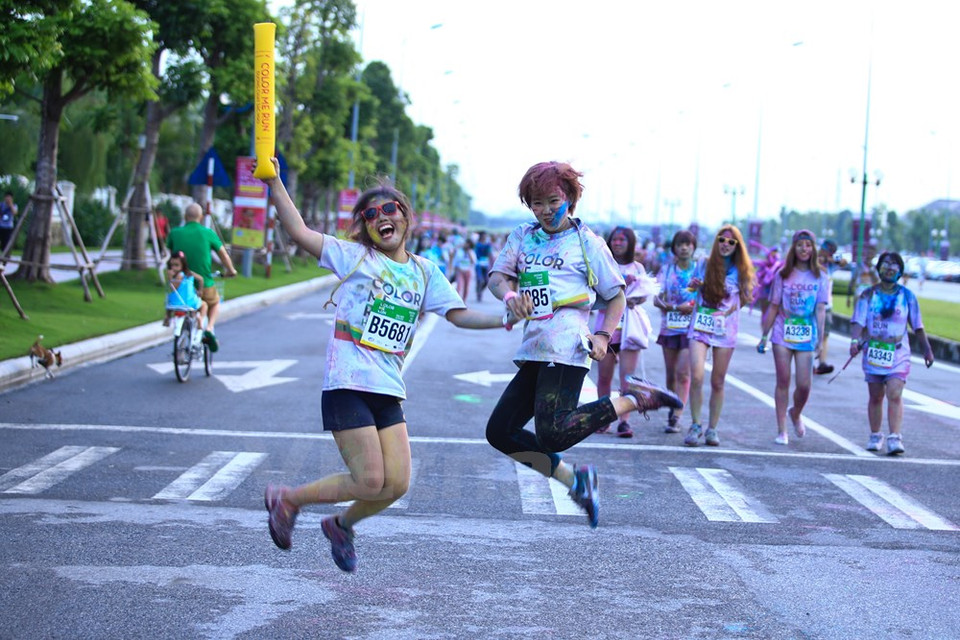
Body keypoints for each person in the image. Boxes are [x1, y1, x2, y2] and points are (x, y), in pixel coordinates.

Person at [258, 157, 528, 573]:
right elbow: (297, 230)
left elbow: (458, 314)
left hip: (388, 388)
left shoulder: (425, 271)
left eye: (389, 210)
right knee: (369, 481)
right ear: (364, 227)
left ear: (405, 216)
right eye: (370, 215)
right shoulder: (355, 258)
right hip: (347, 383)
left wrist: (505, 318)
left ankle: (342, 524)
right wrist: (275, 181)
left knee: (397, 483)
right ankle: (288, 499)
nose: (381, 218)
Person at [486, 161, 682, 528]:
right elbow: (497, 277)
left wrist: (604, 336)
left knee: (553, 433)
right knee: (499, 431)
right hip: (533, 347)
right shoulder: (522, 237)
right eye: (536, 203)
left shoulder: (587, 242)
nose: (545, 210)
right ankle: (575, 481)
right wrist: (510, 295)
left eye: (552, 201)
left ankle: (633, 399)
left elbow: (616, 297)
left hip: (567, 346)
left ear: (570, 199)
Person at [849, 251, 934, 456]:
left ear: (900, 271)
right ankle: (875, 434)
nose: (889, 268)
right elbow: (858, 322)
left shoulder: (907, 296)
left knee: (894, 392)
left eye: (894, 265)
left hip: (898, 353)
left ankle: (895, 437)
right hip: (874, 351)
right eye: (885, 264)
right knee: (876, 395)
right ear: (879, 269)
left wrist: (927, 348)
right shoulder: (867, 295)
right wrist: (854, 341)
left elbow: (917, 325)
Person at [684, 225, 755, 447]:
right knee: (696, 376)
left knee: (718, 381)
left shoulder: (741, 270)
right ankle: (695, 424)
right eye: (722, 240)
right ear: (717, 242)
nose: (726, 244)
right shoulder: (704, 263)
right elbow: (691, 289)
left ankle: (712, 429)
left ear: (737, 246)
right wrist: (693, 286)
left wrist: (726, 313)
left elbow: (743, 299)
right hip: (701, 326)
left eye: (731, 242)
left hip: (725, 330)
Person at [756, 230, 829, 445]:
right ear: (794, 249)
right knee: (783, 380)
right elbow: (774, 306)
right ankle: (782, 430)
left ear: (813, 249)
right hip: (782, 332)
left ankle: (795, 412)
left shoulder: (821, 276)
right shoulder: (783, 275)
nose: (804, 249)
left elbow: (821, 309)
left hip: (807, 334)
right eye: (800, 245)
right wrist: (764, 335)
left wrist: (820, 338)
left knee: (805, 385)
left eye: (808, 245)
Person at [594, 226, 656, 438]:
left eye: (622, 240)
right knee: (604, 376)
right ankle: (603, 418)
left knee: (627, 378)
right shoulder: (602, 263)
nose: (618, 243)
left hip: (629, 329)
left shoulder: (637, 267)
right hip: (605, 329)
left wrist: (632, 297)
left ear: (630, 244)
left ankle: (624, 421)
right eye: (615, 239)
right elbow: (593, 296)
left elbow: (644, 296)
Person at [166, 202, 237, 352]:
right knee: (214, 302)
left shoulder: (175, 233)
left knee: (188, 304)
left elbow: (170, 255)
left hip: (180, 284)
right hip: (203, 283)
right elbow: (223, 254)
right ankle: (209, 328)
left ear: (185, 217)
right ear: (201, 217)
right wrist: (231, 270)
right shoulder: (208, 233)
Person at [653, 230, 700, 433]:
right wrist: (675, 308)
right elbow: (656, 299)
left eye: (687, 244)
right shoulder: (667, 270)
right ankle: (673, 407)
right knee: (671, 375)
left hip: (692, 330)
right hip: (670, 328)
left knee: (683, 373)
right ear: (674, 248)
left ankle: (677, 415)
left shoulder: (700, 270)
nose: (684, 247)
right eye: (680, 244)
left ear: (693, 247)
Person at [814, 239, 843, 375]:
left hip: (826, 305)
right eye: (825, 249)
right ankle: (810, 363)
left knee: (824, 335)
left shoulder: (831, 266)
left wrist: (829, 259)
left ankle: (822, 363)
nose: (826, 252)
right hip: (811, 306)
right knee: (812, 335)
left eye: (830, 251)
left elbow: (843, 262)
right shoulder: (811, 260)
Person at [162, 250, 206, 327]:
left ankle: (167, 317)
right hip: (188, 301)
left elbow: (172, 288)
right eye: (172, 265)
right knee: (204, 305)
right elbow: (201, 279)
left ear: (183, 265)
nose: (173, 268)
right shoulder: (187, 274)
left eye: (176, 265)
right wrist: (200, 291)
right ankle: (200, 318)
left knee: (169, 300)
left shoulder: (177, 275)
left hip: (174, 302)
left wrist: (170, 278)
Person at [847, 241, 879, 308]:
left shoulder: (875, 268)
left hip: (871, 294)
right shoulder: (859, 266)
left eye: (872, 253)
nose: (870, 254)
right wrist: (848, 298)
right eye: (869, 252)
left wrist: (871, 270)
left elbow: (877, 282)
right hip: (859, 293)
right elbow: (852, 281)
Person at [450, 237, 476, 301]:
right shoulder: (459, 251)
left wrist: (469, 253)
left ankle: (464, 300)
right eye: (466, 243)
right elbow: (455, 260)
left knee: (466, 287)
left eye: (468, 244)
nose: (466, 245)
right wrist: (455, 269)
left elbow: (473, 262)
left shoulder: (471, 252)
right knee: (459, 286)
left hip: (467, 271)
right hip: (460, 270)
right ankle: (457, 300)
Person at [474, 231, 494, 302]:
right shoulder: (477, 245)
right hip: (478, 264)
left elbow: (490, 254)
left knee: (486, 281)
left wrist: (493, 263)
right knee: (479, 280)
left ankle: (479, 291)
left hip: (485, 264)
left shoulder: (488, 245)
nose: (484, 237)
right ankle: (479, 294)